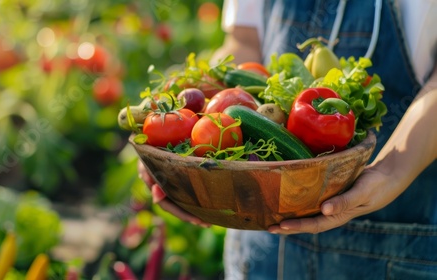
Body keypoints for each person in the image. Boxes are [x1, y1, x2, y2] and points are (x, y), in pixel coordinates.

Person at [139, 0, 437, 279]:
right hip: (257, 234)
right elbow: (244, 40)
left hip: (395, 240)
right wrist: (187, 127)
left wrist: (391, 170)